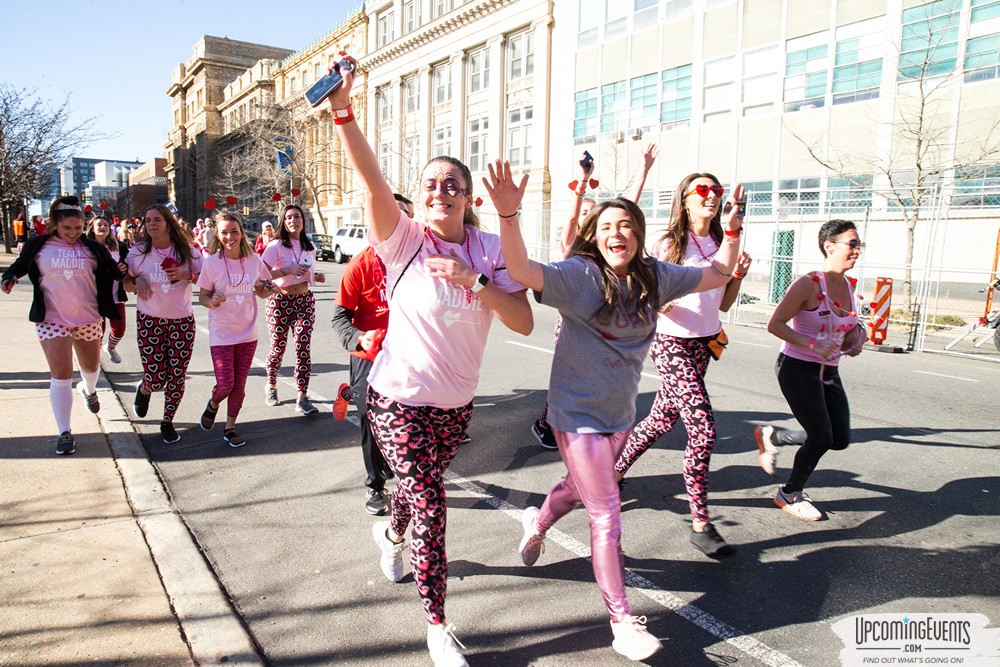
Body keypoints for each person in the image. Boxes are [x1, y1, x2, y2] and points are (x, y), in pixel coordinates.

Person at [329, 53, 533, 667]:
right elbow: (370, 179)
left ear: (468, 199)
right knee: (430, 499)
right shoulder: (402, 241)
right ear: (416, 199)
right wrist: (343, 110)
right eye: (430, 184)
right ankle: (438, 626)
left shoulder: (489, 249)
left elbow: (522, 319)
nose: (441, 190)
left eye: (453, 185)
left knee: (416, 498)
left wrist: (475, 281)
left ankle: (390, 534)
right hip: (395, 396)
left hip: (455, 403)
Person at [494, 162, 744, 662]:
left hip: (619, 416)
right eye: (606, 226)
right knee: (605, 513)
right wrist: (508, 214)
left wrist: (733, 230)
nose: (617, 233)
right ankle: (622, 621)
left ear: (639, 234)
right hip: (575, 415)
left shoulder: (655, 276)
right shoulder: (577, 276)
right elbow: (520, 271)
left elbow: (719, 272)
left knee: (577, 488)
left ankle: (536, 523)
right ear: (594, 236)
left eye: (626, 224)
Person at [612, 173, 752, 558]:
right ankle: (701, 522)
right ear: (686, 200)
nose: (711, 197)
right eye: (702, 191)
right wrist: (656, 301)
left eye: (716, 191)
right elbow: (637, 284)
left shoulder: (723, 242)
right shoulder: (666, 241)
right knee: (703, 431)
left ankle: (614, 471)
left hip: (704, 345)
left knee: (660, 420)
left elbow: (723, 304)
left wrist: (737, 274)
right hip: (670, 343)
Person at [532, 145, 658, 450]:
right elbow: (574, 219)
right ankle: (552, 425)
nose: (589, 217)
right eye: (586, 214)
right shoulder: (574, 246)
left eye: (593, 213)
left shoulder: (610, 247)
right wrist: (583, 181)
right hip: (574, 327)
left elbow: (630, 208)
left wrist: (644, 172)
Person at [757, 219, 863, 521]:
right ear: (830, 247)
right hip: (797, 368)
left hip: (829, 371)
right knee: (820, 437)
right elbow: (774, 324)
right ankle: (790, 493)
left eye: (859, 244)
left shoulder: (850, 285)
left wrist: (858, 337)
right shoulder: (809, 284)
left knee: (839, 438)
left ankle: (774, 436)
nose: (857, 250)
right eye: (852, 244)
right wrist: (813, 344)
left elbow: (851, 326)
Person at [1, 196, 124, 455]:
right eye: (67, 229)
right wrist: (9, 277)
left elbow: (114, 271)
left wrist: (124, 270)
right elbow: (19, 267)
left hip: (88, 317)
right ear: (55, 225)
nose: (72, 233)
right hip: (51, 318)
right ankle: (64, 431)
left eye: (78, 229)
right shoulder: (38, 245)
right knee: (61, 374)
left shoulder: (93, 248)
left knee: (90, 369)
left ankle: (88, 390)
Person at [329, 198, 411, 516]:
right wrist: (359, 337)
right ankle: (375, 485)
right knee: (370, 417)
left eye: (405, 222)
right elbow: (338, 318)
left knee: (408, 416)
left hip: (409, 351)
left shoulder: (419, 259)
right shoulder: (360, 264)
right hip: (369, 352)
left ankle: (351, 392)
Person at [123, 204, 203, 444]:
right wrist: (136, 281)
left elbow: (207, 279)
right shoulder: (138, 252)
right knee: (157, 376)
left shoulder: (189, 252)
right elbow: (125, 282)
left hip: (182, 321)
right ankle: (146, 388)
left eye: (157, 219)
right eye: (148, 220)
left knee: (177, 375)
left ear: (168, 223)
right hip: (150, 320)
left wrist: (185, 275)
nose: (152, 224)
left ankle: (167, 421)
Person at [196, 212, 274, 447]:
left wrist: (272, 288)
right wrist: (212, 302)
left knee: (239, 385)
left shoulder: (254, 261)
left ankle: (230, 428)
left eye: (234, 231)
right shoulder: (212, 263)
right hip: (221, 333)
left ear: (241, 233)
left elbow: (262, 290)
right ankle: (213, 403)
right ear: (218, 236)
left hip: (247, 332)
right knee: (225, 383)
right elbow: (202, 296)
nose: (230, 236)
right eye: (224, 232)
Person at [260, 203, 326, 414]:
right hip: (279, 301)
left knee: (303, 347)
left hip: (304, 301)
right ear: (283, 221)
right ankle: (271, 385)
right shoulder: (275, 246)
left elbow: (305, 272)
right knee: (277, 349)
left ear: (302, 220)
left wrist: (316, 276)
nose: (293, 220)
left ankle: (302, 397)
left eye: (297, 217)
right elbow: (261, 274)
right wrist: (286, 270)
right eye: (288, 217)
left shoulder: (310, 247)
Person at [86, 215, 129, 364]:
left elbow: (126, 262)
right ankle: (94, 361)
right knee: (98, 332)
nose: (103, 227)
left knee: (120, 329)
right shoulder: (86, 247)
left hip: (116, 294)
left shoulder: (118, 246)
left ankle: (110, 347)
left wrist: (124, 267)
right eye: (99, 225)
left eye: (106, 225)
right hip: (95, 297)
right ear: (92, 228)